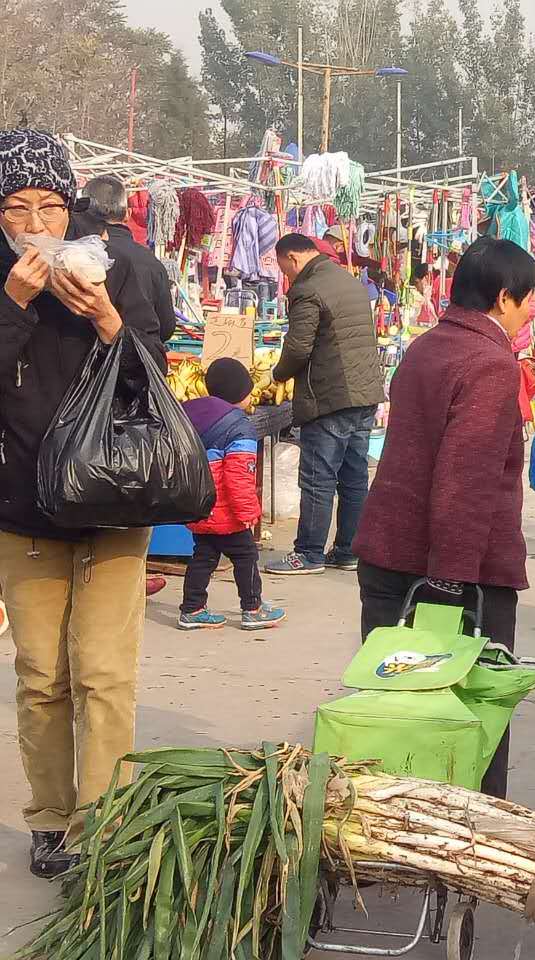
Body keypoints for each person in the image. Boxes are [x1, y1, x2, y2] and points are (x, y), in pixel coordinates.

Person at [0, 128, 164, 878]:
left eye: (50, 207)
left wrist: (104, 318)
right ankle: (50, 816)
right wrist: (15, 306)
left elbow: (153, 380)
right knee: (42, 679)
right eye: (16, 209)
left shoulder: (122, 268)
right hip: (23, 507)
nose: (36, 225)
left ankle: (104, 825)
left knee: (103, 674)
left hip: (112, 502)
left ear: (72, 208)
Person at [352, 237, 535, 799]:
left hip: (392, 555)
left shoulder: (428, 346)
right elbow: (465, 480)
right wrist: (450, 581)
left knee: (395, 709)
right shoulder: (488, 362)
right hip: (453, 573)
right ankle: (469, 838)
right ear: (503, 299)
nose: (534, 311)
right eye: (530, 299)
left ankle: (397, 827)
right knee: (472, 719)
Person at [266, 233, 384, 575]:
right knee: (353, 476)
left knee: (318, 477)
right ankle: (348, 549)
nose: (286, 275)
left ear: (292, 258)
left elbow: (298, 348)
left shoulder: (307, 289)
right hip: (363, 393)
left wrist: (278, 374)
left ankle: (308, 553)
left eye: (283, 267)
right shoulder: (349, 281)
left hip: (331, 395)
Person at [178, 358, 287, 631]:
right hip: (228, 513)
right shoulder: (239, 426)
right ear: (241, 393)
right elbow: (238, 477)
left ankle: (191, 608)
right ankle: (253, 608)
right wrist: (249, 513)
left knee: (203, 557)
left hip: (200, 506)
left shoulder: (189, 413)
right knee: (246, 557)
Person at [80, 175, 178, 342]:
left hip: (84, 363)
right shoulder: (151, 262)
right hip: (136, 360)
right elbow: (167, 328)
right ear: (126, 214)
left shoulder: (73, 257)